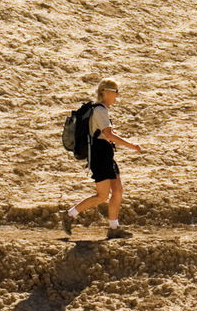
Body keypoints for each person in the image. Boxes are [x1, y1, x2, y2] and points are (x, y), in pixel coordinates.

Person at [61, 78, 144, 239]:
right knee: (102, 196)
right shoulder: (100, 111)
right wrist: (132, 145)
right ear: (105, 92)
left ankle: (114, 227)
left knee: (118, 191)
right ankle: (70, 215)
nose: (117, 96)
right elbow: (109, 135)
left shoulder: (101, 110)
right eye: (115, 92)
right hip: (100, 155)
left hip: (106, 154)